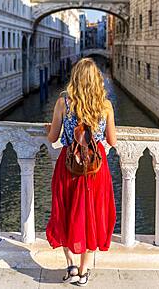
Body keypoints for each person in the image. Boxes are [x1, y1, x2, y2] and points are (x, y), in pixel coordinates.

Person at [46, 58, 116, 287]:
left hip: (69, 168)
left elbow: (53, 138)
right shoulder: (105, 105)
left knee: (64, 213)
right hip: (96, 171)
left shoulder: (63, 103)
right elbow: (111, 140)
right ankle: (84, 272)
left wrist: (50, 128)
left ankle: (71, 265)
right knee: (92, 218)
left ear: (74, 78)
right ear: (97, 80)